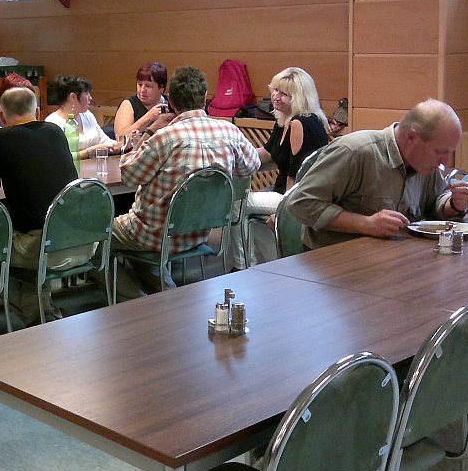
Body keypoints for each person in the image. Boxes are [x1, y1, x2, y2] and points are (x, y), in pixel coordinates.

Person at [111, 65, 261, 300]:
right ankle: (163, 295)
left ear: (170, 100)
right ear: (205, 96)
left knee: (97, 238)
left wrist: (150, 131)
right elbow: (251, 166)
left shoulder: (164, 137)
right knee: (141, 249)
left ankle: (134, 300)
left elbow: (129, 175)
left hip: (153, 233)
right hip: (199, 231)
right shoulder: (230, 131)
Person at [0, 87, 96, 325]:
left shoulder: (0, 139)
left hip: (42, 248)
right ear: (37, 112)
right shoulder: (56, 131)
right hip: (80, 240)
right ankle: (44, 315)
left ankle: (41, 318)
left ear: (1, 115)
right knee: (26, 250)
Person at [285, 99, 468, 251]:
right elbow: (300, 203)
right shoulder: (354, 152)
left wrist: (452, 205)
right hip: (335, 267)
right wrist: (366, 224)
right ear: (412, 137)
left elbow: (435, 200)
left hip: (392, 261)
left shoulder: (424, 164)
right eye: (440, 152)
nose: (445, 161)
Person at [225, 67, 330, 269]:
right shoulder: (285, 119)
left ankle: (242, 267)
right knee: (249, 215)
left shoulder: (300, 123)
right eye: (275, 90)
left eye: (284, 94)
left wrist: (283, 212)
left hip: (296, 196)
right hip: (284, 190)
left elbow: (295, 175)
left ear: (298, 97)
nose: (275, 96)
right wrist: (235, 156)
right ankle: (271, 264)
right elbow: (267, 153)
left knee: (235, 203)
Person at [44, 74, 116, 159]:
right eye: (86, 93)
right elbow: (57, 157)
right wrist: (89, 152)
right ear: (73, 97)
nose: (90, 98)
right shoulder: (52, 123)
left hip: (96, 166)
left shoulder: (87, 115)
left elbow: (104, 140)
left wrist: (119, 145)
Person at [112, 62, 174, 138]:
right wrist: (148, 117)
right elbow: (121, 137)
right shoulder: (128, 104)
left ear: (162, 87)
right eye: (140, 85)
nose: (142, 90)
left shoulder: (171, 103)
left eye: (148, 86)